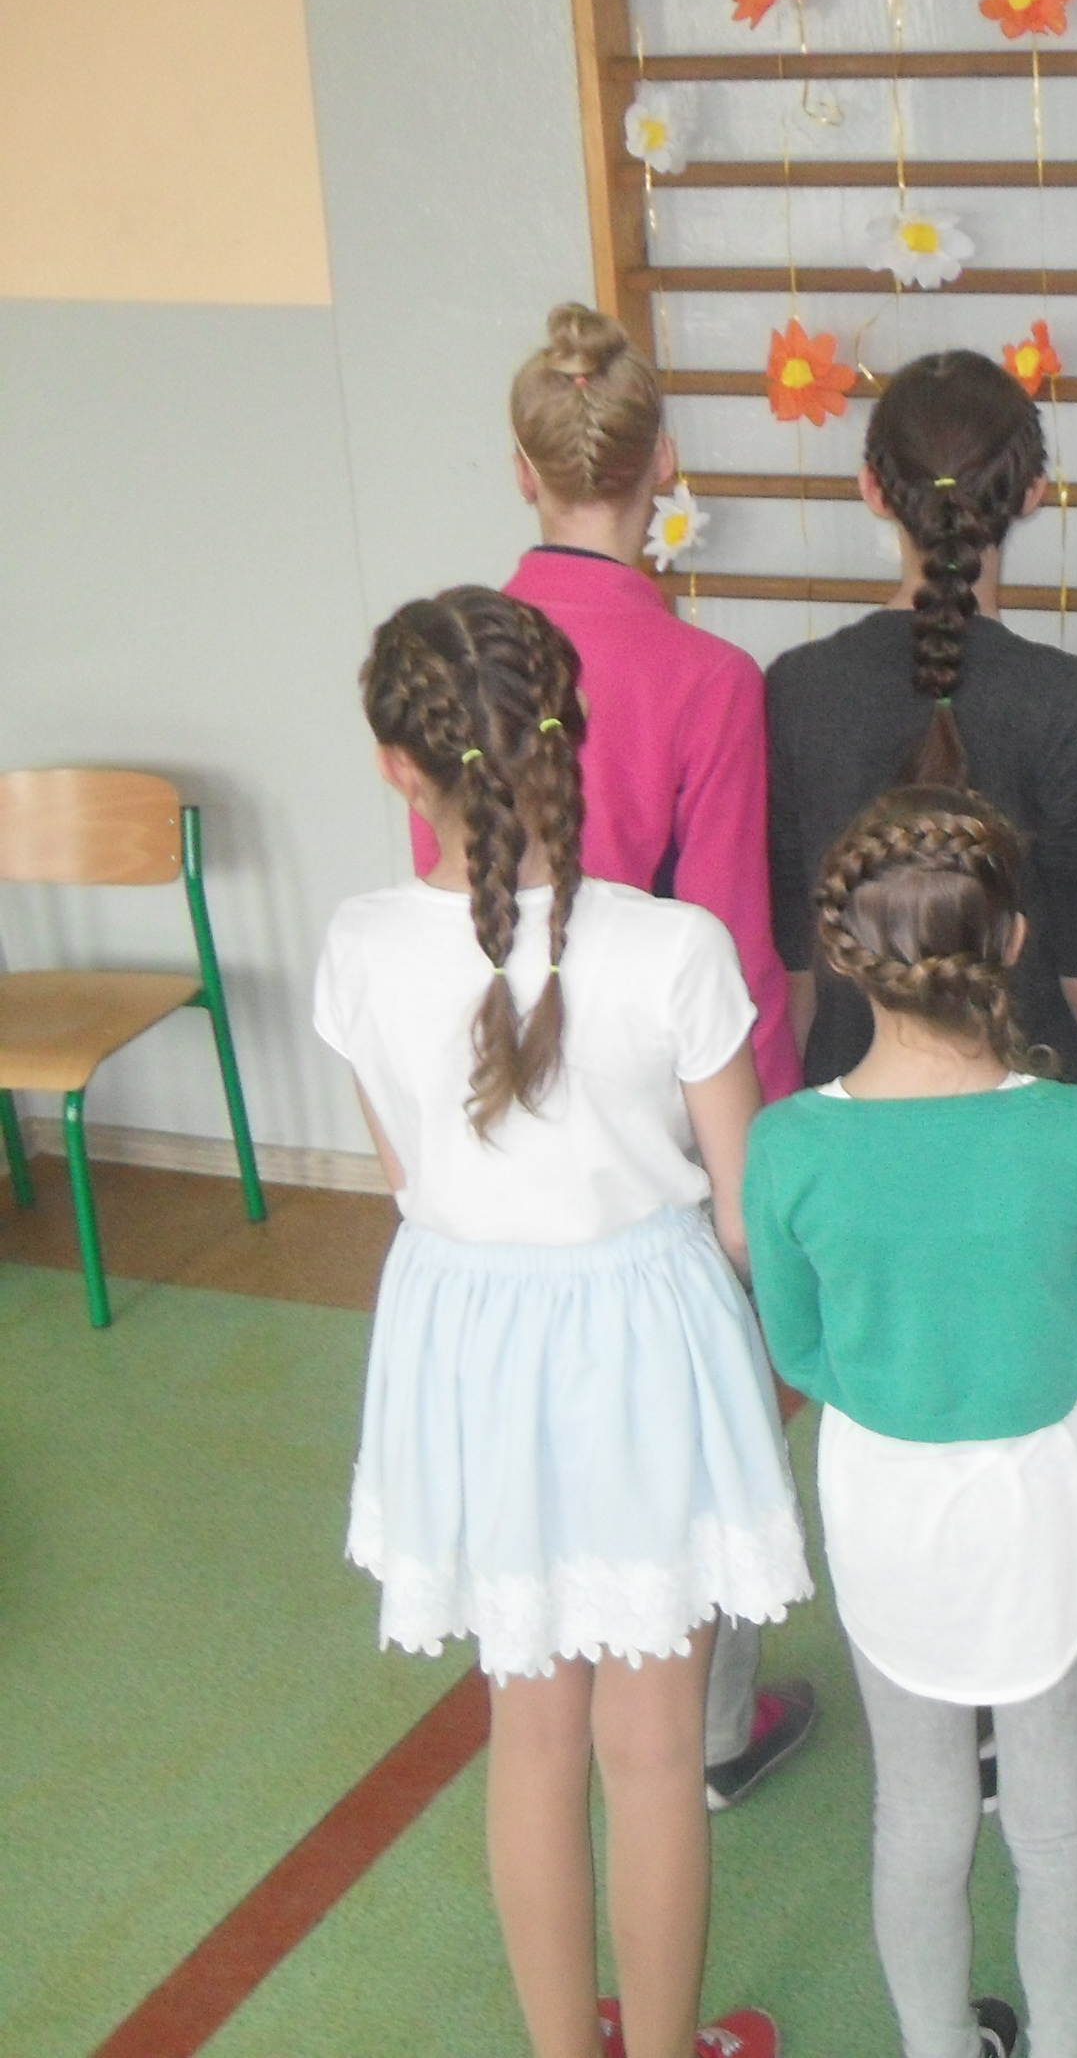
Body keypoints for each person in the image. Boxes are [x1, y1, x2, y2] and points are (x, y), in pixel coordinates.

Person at [320, 588, 810, 2058]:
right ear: (569, 739)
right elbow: (743, 1214)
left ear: (397, 767)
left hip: (467, 1345)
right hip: (645, 1342)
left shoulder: (360, 944)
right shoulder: (676, 949)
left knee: (528, 1735)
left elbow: (408, 1176)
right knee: (651, 1755)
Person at [744, 789, 1077, 2058]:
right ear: (1014, 941)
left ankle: (935, 2041)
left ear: (840, 953)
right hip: (1046, 1501)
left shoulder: (787, 1144)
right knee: (1058, 1811)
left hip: (886, 1505)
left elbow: (799, 1348)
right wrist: (1031, 1401)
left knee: (918, 1812)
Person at [475, 302, 817, 1809]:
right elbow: (733, 945)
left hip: (496, 1084)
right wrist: (772, 1149)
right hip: (660, 1102)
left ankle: (548, 1658)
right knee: (698, 1407)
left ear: (522, 469)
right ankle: (711, 1725)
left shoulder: (456, 653)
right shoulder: (708, 676)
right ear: (663, 463)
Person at [768, 349, 1077, 1123]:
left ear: (873, 488)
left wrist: (798, 1122)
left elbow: (796, 966)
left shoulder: (796, 688)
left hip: (855, 1110)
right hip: (1033, 1114)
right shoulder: (1062, 696)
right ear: (1033, 491)